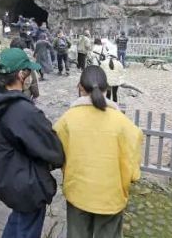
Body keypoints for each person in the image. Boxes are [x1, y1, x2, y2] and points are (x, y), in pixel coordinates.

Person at [0, 48, 65, 238]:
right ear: (20, 74)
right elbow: (53, 149)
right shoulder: (22, 111)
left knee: (18, 219)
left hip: (7, 177)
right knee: (27, 227)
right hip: (27, 185)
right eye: (27, 71)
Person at [54, 66, 143, 238]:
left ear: (80, 87)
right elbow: (134, 151)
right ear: (107, 88)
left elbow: (57, 153)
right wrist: (132, 176)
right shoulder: (121, 121)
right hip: (111, 195)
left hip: (78, 192)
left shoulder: (67, 119)